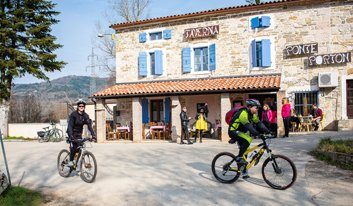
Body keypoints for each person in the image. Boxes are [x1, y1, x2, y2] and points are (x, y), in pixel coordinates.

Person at [228, 99, 271, 178]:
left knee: (246, 150)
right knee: (248, 139)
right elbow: (248, 126)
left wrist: (268, 131)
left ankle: (243, 169)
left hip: (242, 132)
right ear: (250, 107)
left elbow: (259, 123)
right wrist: (258, 134)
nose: (257, 109)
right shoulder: (243, 113)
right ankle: (239, 158)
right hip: (233, 131)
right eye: (256, 107)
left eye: (258, 108)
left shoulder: (253, 114)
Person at [66, 99, 96, 167]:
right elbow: (70, 126)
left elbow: (89, 126)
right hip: (71, 133)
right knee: (74, 148)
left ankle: (76, 162)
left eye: (83, 106)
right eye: (80, 106)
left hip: (79, 133)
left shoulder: (85, 116)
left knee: (79, 148)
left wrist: (93, 135)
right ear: (78, 107)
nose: (81, 107)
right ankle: (70, 161)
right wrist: (70, 136)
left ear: (84, 107)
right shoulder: (73, 115)